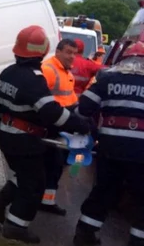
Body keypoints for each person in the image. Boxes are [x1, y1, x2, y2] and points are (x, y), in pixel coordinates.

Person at [0, 25, 91, 243]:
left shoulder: (8, 72)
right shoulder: (33, 78)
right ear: (43, 51)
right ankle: (16, 226)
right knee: (34, 184)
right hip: (23, 139)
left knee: (23, 175)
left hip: (8, 133)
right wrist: (80, 124)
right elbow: (51, 112)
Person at [72, 41, 144, 246]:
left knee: (104, 190)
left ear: (124, 59)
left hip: (109, 147)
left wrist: (90, 129)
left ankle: (84, 234)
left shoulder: (107, 78)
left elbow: (82, 109)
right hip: (141, 152)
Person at [39, 38, 79, 216]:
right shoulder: (49, 69)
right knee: (47, 164)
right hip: (49, 126)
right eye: (68, 52)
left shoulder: (66, 72)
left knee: (56, 166)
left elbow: (70, 99)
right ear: (58, 52)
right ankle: (34, 199)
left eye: (74, 53)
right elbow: (40, 100)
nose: (72, 57)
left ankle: (47, 200)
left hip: (62, 125)